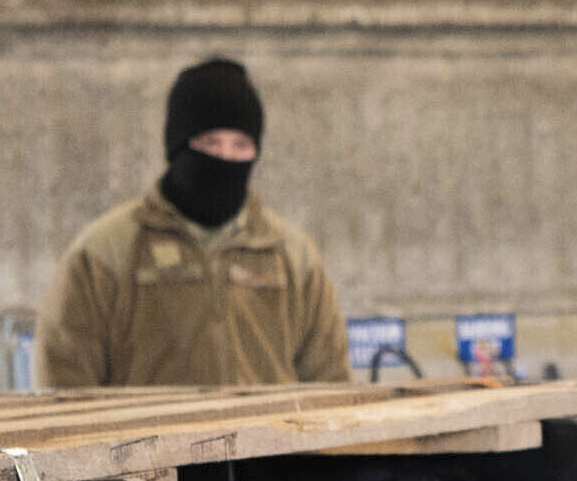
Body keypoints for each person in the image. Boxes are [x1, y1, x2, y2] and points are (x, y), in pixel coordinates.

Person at [35, 58, 347, 388]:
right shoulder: (105, 254)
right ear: (179, 145)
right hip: (146, 439)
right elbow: (64, 376)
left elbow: (330, 380)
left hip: (272, 438)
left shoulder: (291, 255)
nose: (225, 159)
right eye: (210, 143)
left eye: (241, 145)